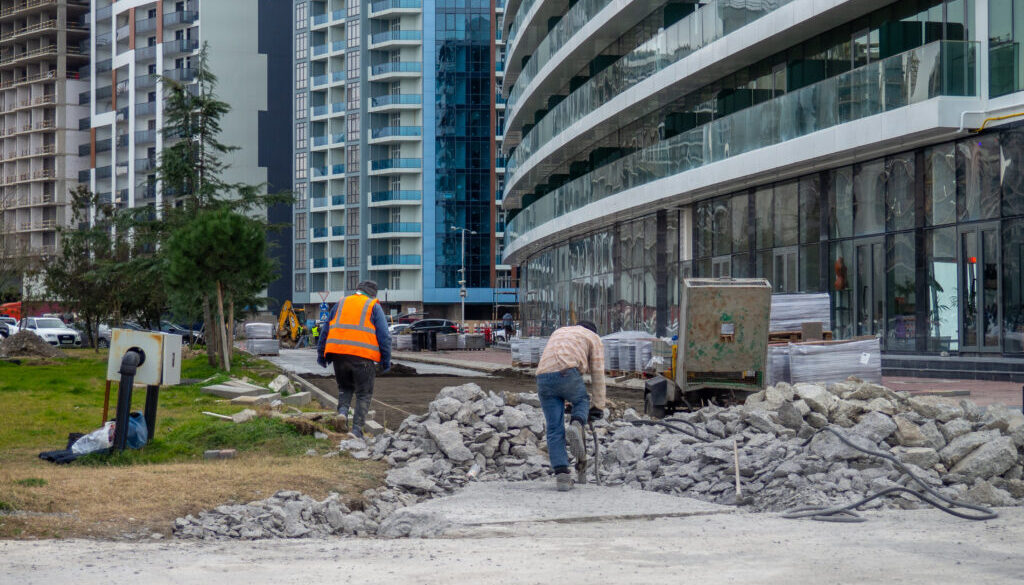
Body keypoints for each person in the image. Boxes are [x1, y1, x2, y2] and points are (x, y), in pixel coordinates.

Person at [535, 320, 606, 491]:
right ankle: (577, 424)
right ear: (593, 331)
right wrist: (598, 406)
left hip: (543, 377)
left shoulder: (560, 331)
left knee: (554, 428)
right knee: (582, 400)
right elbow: (598, 374)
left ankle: (562, 477)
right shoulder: (593, 337)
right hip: (567, 371)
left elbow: (555, 361)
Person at [317, 280, 392, 438]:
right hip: (362, 357)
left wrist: (321, 354)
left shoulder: (341, 303)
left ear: (357, 290)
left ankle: (342, 413)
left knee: (345, 387)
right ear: (372, 294)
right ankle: (357, 430)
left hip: (338, 355)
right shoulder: (373, 306)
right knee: (363, 394)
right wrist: (386, 361)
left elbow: (325, 330)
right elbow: (384, 337)